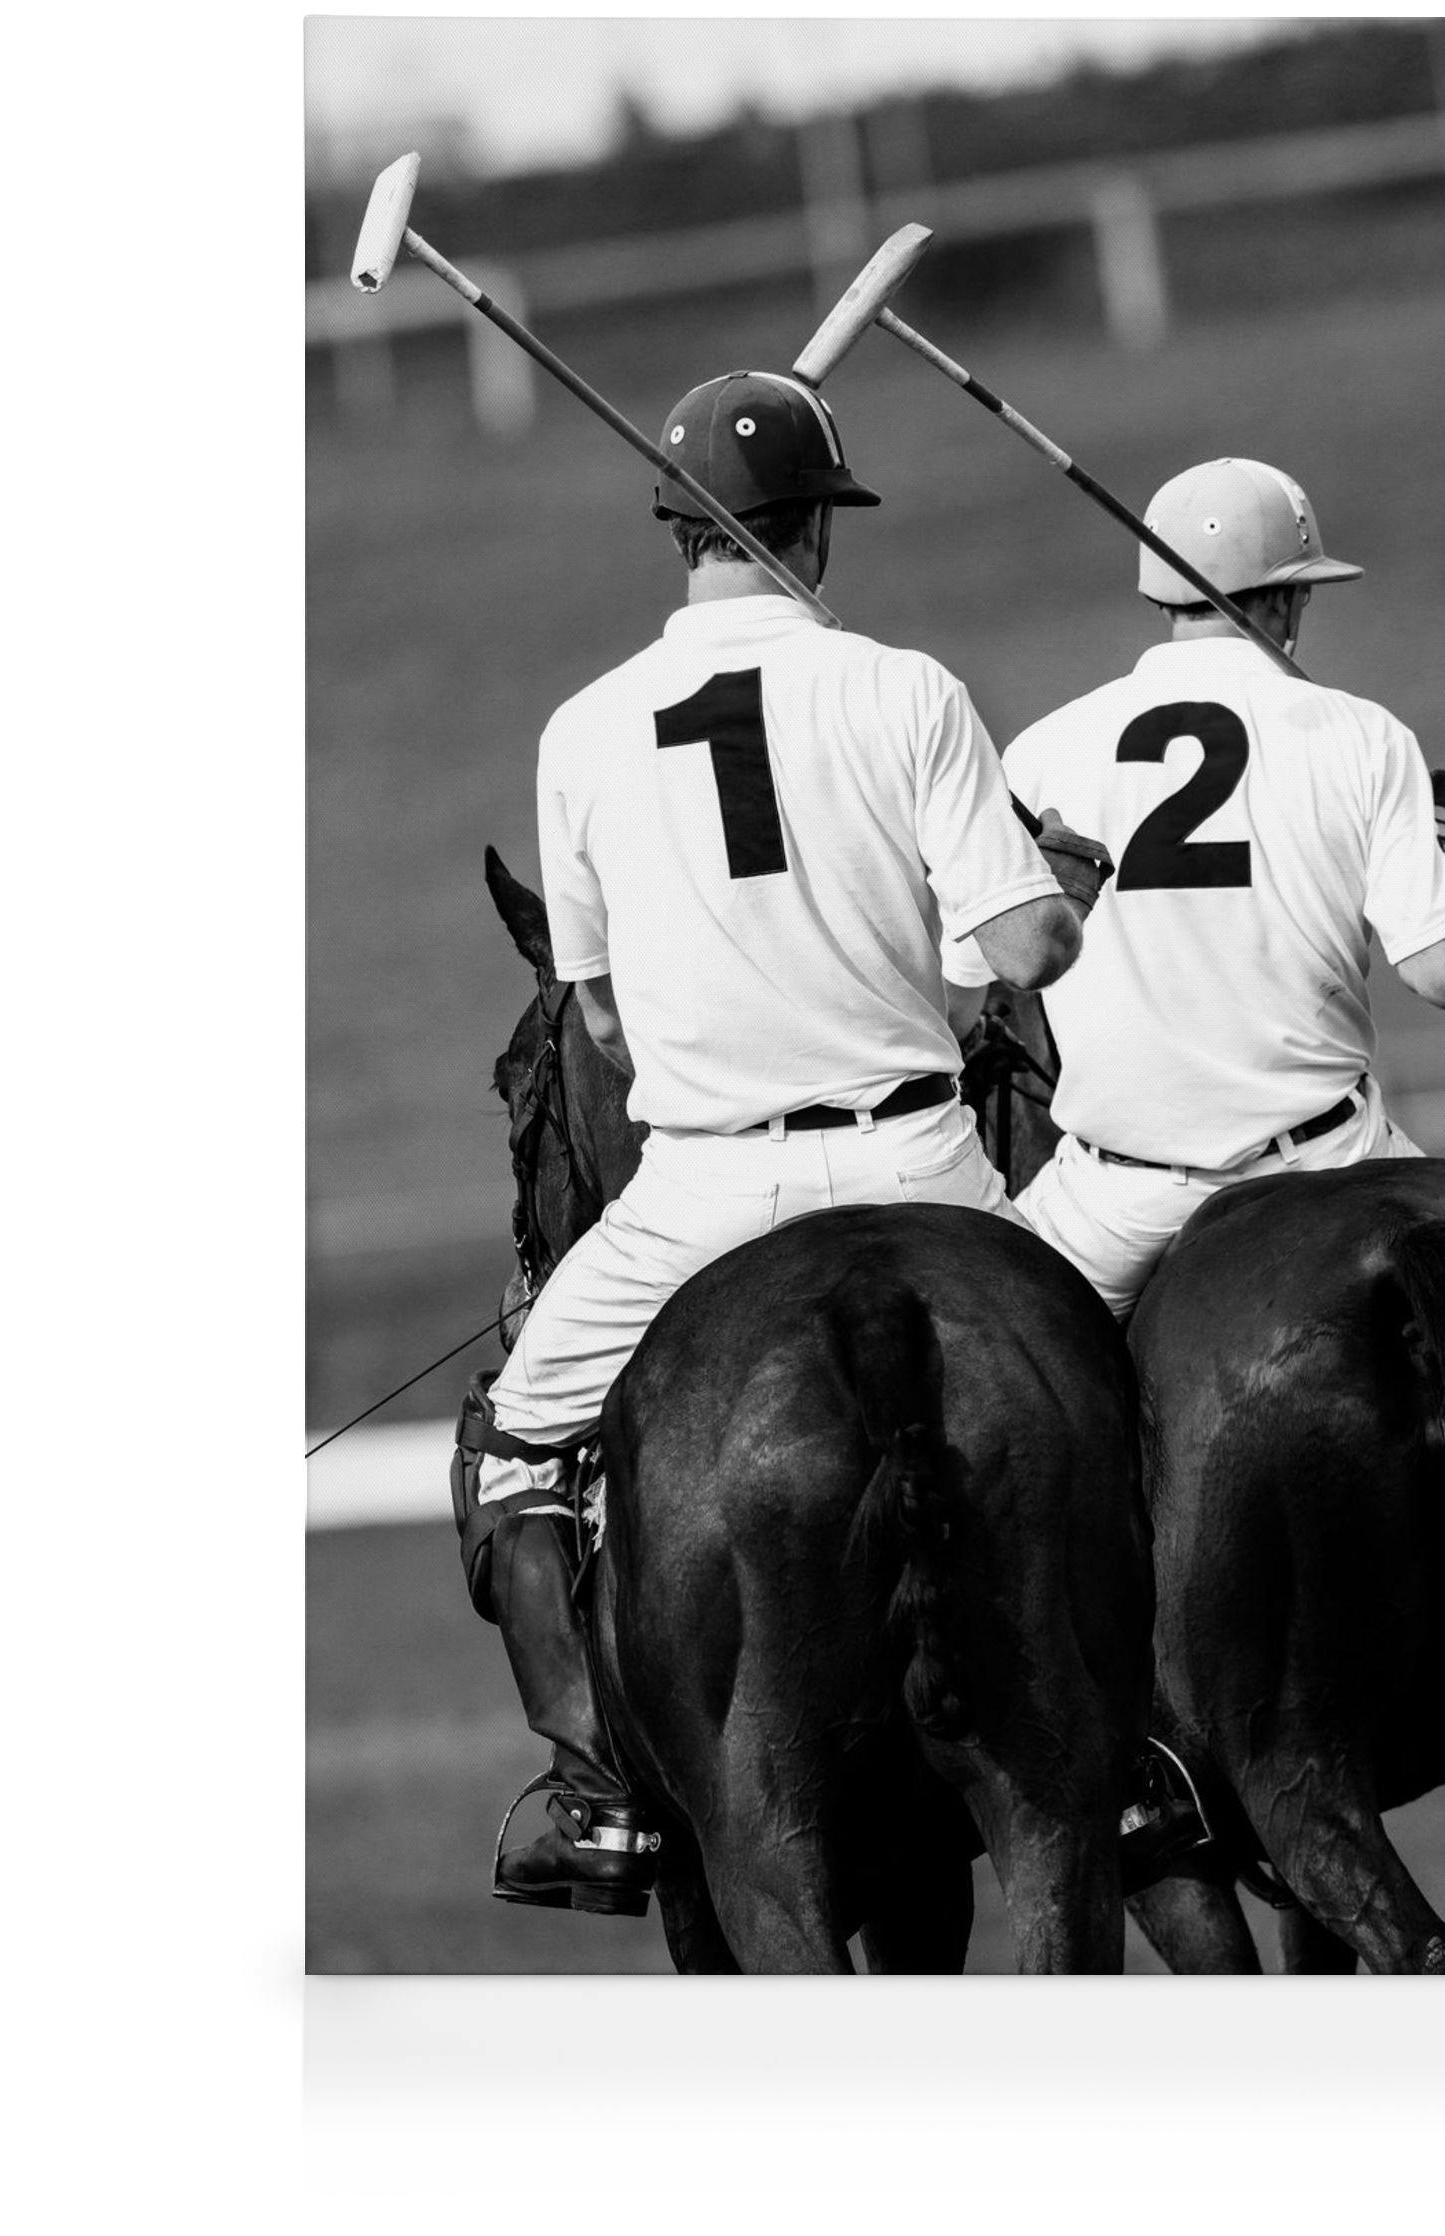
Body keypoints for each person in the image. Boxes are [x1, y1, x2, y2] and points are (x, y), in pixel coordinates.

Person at [453, 369, 1107, 1915]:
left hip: (699, 1190)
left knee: (511, 1448)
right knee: (1111, 1392)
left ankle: (597, 1790)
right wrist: (1064, 891)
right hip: (923, 1168)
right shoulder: (908, 690)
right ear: (814, 530)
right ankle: (1138, 1749)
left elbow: (598, 1028)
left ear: (681, 533)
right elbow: (1021, 952)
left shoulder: (578, 732)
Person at [944, 454, 1445, 1324]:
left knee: (990, 1393)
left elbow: (960, 1004)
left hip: (1116, 1202)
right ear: (1282, 596)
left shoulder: (1042, 751)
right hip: (1330, 1164)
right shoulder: (1362, 735)